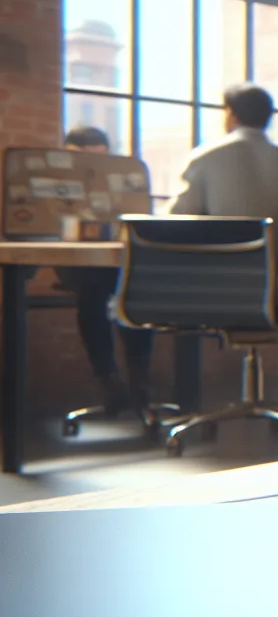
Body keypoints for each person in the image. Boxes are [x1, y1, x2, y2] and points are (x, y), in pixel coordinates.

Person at [170, 84, 278, 308]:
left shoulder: (205, 157)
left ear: (230, 114)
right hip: (276, 296)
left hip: (213, 292)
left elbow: (178, 220)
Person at [58, 126, 155, 414]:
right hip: (77, 264)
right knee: (95, 291)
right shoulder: (55, 181)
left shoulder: (119, 179)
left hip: (116, 263)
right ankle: (110, 380)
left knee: (135, 291)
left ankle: (137, 380)